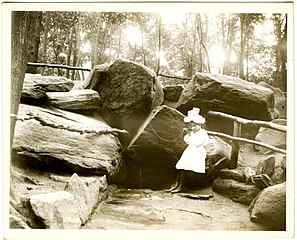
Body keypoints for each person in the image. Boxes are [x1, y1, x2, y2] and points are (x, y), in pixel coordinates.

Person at [167, 107, 209, 193]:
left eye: (195, 126)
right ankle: (177, 184)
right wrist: (188, 134)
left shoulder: (202, 133)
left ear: (200, 125)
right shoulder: (193, 132)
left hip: (197, 151)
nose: (193, 128)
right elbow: (188, 141)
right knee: (181, 165)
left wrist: (191, 134)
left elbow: (197, 143)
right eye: (191, 126)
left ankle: (182, 186)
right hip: (191, 150)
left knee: (186, 167)